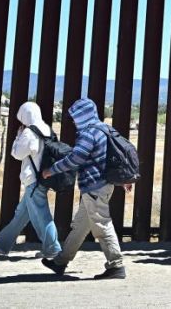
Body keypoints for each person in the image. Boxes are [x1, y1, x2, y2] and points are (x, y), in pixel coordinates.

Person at [40, 99, 126, 280]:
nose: (73, 121)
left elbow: (76, 158)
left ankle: (116, 265)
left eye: (75, 117)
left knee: (102, 225)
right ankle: (60, 262)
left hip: (95, 187)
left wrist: (52, 170)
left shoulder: (88, 133)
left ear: (82, 116)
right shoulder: (104, 129)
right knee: (80, 226)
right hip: (102, 186)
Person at [0, 101, 61, 259]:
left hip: (32, 180)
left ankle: (53, 248)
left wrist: (18, 137)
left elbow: (17, 154)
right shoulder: (47, 128)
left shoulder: (29, 132)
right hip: (43, 177)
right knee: (21, 214)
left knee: (42, 215)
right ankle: (2, 243)